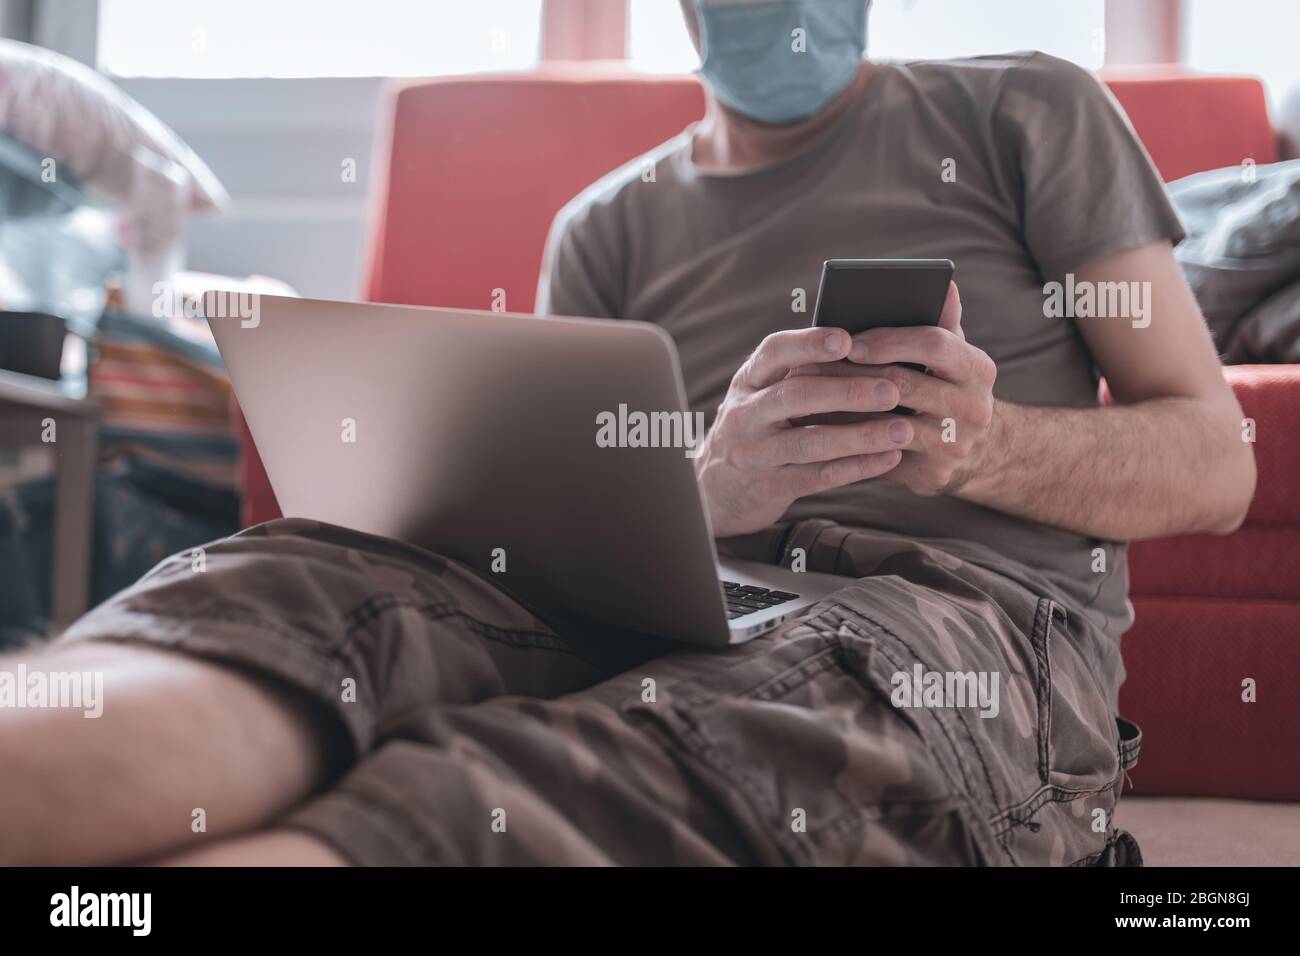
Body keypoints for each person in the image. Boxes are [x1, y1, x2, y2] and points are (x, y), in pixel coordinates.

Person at [0, 0, 1253, 866]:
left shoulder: (1027, 111)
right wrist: (702, 483)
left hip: (937, 618)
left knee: (600, 757)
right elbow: (563, 529)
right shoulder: (605, 224)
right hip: (660, 591)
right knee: (301, 582)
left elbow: (1216, 460)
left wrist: (977, 449)